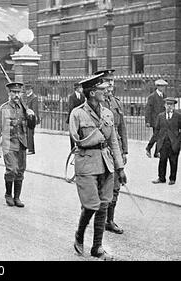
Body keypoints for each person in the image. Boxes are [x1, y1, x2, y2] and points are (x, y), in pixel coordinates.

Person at [68, 73, 127, 261]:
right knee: (91, 204)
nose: (106, 91)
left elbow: (114, 142)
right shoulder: (77, 114)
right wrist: (98, 133)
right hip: (86, 163)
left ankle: (97, 247)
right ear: (92, 92)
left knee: (104, 204)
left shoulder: (108, 113)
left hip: (106, 163)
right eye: (102, 89)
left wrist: (120, 168)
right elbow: (77, 140)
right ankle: (79, 234)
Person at [0, 82, 36, 208]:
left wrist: (31, 116)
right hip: (8, 143)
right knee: (12, 169)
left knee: (20, 171)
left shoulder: (24, 107)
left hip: (21, 143)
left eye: (18, 92)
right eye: (14, 92)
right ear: (9, 93)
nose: (16, 95)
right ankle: (8, 194)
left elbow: (31, 126)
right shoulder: (4, 108)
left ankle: (17, 197)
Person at [95, 69, 128, 235]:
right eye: (107, 81)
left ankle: (109, 220)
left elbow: (122, 128)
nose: (110, 85)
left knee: (115, 186)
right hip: (100, 150)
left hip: (116, 150)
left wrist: (125, 152)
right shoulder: (95, 103)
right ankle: (98, 218)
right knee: (101, 185)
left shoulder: (116, 103)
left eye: (112, 81)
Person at [146, 97, 181, 185]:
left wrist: (178, 141)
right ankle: (161, 178)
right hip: (163, 143)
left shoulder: (178, 116)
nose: (169, 106)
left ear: (174, 106)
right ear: (164, 105)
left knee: (173, 161)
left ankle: (172, 178)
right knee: (162, 160)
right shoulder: (160, 116)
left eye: (171, 105)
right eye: (167, 104)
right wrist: (149, 146)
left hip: (174, 143)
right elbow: (156, 132)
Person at [145, 79, 169, 157]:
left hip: (162, 120)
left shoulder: (165, 96)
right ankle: (148, 148)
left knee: (160, 136)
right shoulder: (152, 96)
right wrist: (147, 121)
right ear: (157, 86)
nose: (162, 88)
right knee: (156, 135)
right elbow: (148, 109)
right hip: (155, 120)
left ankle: (156, 152)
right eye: (160, 86)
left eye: (163, 86)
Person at [67, 82, 85, 150]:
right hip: (73, 116)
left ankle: (79, 146)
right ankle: (72, 147)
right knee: (72, 132)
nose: (81, 89)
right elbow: (71, 108)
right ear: (76, 89)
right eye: (80, 87)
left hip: (80, 117)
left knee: (80, 131)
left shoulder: (82, 96)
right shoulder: (71, 97)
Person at [23, 82, 40, 155]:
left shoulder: (34, 97)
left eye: (28, 89)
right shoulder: (26, 96)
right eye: (26, 89)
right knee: (26, 133)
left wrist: (34, 118)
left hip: (31, 118)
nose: (27, 91)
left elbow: (35, 109)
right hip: (26, 117)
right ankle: (27, 148)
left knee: (30, 134)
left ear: (31, 89)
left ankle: (31, 149)